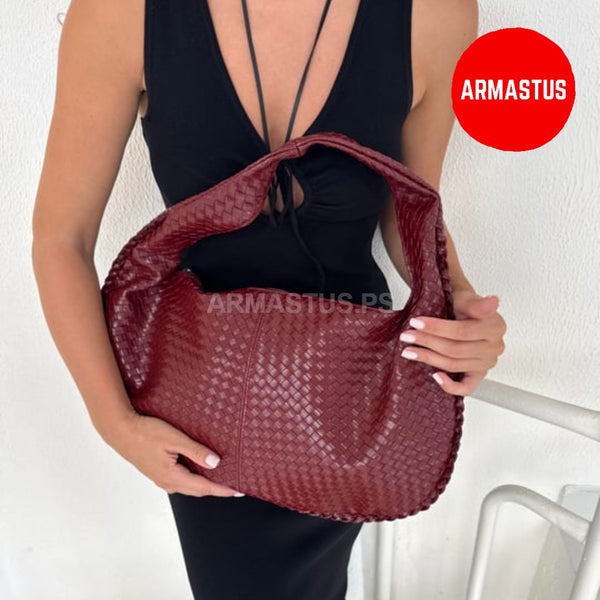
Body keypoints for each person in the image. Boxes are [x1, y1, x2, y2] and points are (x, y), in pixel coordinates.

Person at [32, 0, 506, 598]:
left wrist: (458, 301)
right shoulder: (121, 12)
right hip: (206, 389)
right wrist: (115, 422)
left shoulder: (436, 13)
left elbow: (409, 208)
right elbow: (61, 240)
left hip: (350, 388)